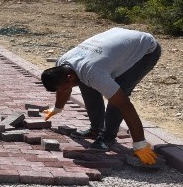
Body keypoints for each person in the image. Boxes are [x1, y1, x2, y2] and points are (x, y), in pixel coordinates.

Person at [40, 27, 161, 165]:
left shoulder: (93, 72)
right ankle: (96, 129)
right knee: (85, 83)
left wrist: (140, 144)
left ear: (69, 76)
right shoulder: (63, 64)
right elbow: (63, 89)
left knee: (119, 93)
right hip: (120, 41)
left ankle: (108, 137)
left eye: (66, 87)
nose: (65, 90)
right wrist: (57, 108)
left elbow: (124, 106)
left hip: (145, 50)